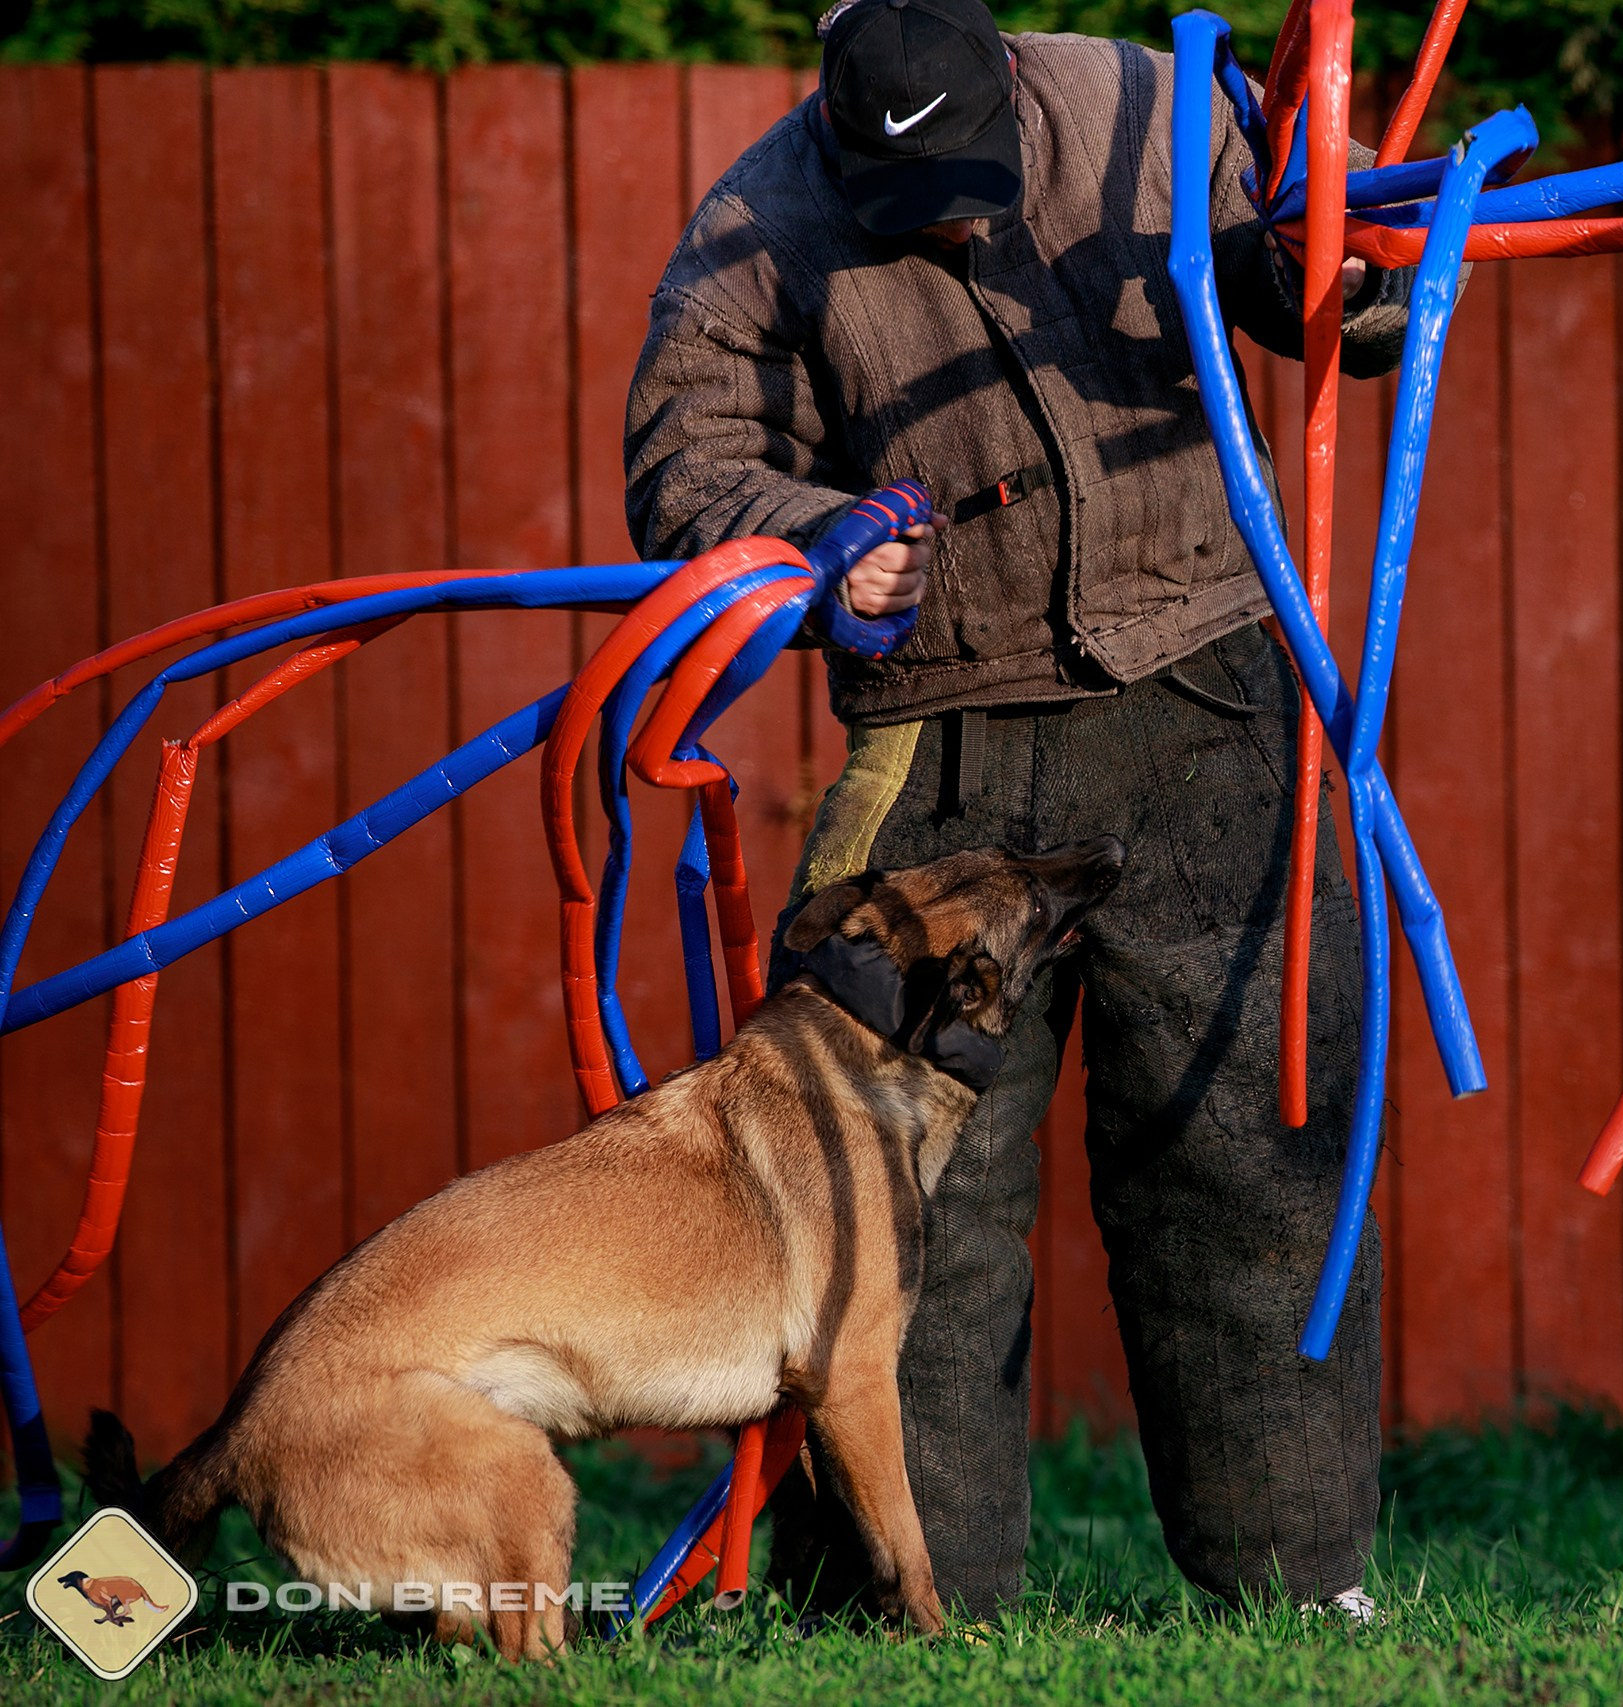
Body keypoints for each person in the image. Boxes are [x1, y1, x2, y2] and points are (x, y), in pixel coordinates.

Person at [624, 0, 1414, 1620]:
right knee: (909, 1200)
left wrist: (1346, 281)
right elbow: (687, 474)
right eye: (922, 208)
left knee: (1253, 1153)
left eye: (983, 181)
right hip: (943, 742)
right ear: (838, 140)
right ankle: (911, 1608)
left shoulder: (1147, 107)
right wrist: (825, 533)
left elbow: (1299, 274)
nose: (966, 223)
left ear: (1012, 85)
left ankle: (1299, 1583)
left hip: (1212, 693)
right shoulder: (753, 225)